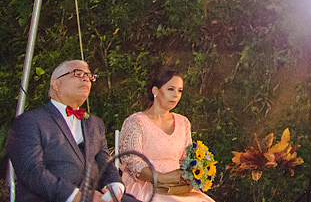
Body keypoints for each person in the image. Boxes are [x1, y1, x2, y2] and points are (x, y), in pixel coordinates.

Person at [8, 59, 128, 202]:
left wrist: (115, 186)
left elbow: (105, 163)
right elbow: (31, 171)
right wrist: (76, 196)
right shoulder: (30, 121)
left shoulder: (96, 123)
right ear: (56, 84)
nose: (86, 78)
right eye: (78, 73)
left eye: (89, 76)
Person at [118, 68, 214, 202]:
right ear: (155, 91)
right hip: (146, 187)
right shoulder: (136, 121)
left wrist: (193, 174)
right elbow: (130, 161)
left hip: (177, 188)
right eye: (171, 89)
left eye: (179, 91)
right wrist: (161, 177)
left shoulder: (183, 122)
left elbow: (186, 159)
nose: (176, 95)